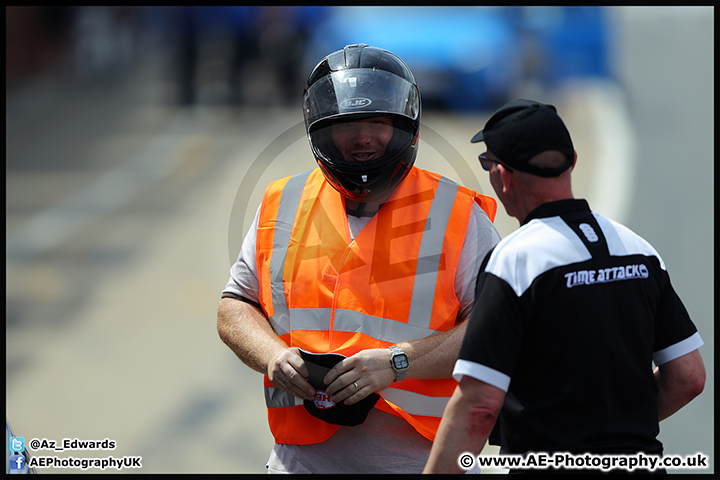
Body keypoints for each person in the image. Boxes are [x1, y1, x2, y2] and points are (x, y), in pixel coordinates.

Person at [217, 44, 501, 474]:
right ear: (320, 130)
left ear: (404, 125)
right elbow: (234, 306)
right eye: (347, 123)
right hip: (301, 460)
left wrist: (397, 363)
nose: (363, 136)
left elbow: (496, 324)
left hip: (423, 461)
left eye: (377, 121)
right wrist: (273, 356)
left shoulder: (458, 212)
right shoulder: (282, 203)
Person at [423, 98, 706, 474]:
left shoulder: (515, 260)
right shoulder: (640, 251)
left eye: (487, 163)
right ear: (571, 160)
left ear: (502, 176)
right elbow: (689, 377)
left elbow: (479, 406)